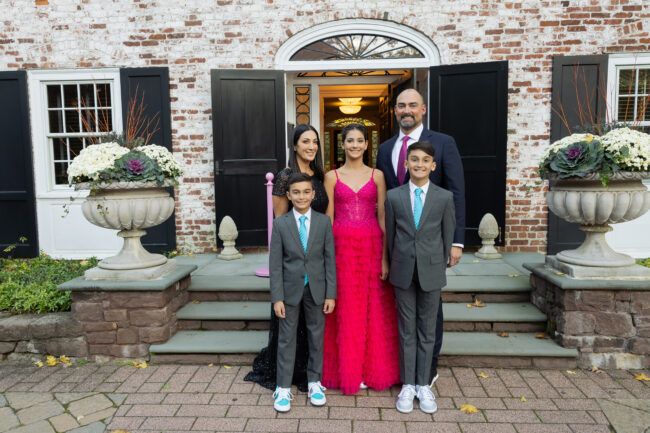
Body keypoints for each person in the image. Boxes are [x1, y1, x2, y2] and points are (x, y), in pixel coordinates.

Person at [376, 88, 466, 384]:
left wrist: (456, 240)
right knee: (401, 313)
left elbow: (455, 192)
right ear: (395, 111)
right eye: (401, 106)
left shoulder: (443, 143)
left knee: (430, 313)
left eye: (412, 105)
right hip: (399, 247)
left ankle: (428, 370)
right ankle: (402, 369)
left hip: (429, 246)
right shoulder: (385, 147)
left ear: (423, 109)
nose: (406, 110)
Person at [245, 124, 328, 393]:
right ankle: (285, 378)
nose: (311, 146)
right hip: (292, 262)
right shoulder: (285, 176)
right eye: (305, 141)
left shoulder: (320, 175)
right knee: (290, 329)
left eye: (315, 142)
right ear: (295, 145)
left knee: (313, 329)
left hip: (315, 258)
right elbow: (281, 224)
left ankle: (310, 376)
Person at [321, 123, 400, 395]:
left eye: (359, 141)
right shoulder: (331, 176)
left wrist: (385, 258)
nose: (354, 145)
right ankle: (349, 370)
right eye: (349, 141)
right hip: (342, 245)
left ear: (368, 145)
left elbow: (382, 217)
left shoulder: (377, 176)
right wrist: (326, 256)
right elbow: (328, 219)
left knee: (374, 309)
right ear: (342, 145)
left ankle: (371, 370)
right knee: (346, 308)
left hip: (371, 245)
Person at [385, 141, 455, 414]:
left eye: (425, 160)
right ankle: (408, 384)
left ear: (433, 165)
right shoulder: (394, 197)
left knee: (427, 330)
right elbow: (391, 236)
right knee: (406, 330)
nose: (419, 164)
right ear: (406, 164)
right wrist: (393, 263)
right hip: (402, 270)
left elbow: (447, 236)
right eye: (414, 160)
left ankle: (424, 384)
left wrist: (439, 264)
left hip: (431, 270)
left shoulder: (443, 197)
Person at [269, 172, 337, 412]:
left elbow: (330, 260)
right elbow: (275, 264)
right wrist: (277, 297)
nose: (301, 196)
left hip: (317, 289)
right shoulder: (280, 225)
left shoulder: (323, 222)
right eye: (295, 192)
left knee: (316, 337)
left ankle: (315, 382)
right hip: (289, 290)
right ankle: (283, 387)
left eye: (306, 192)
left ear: (313, 194)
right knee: (287, 339)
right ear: (288, 195)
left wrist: (331, 294)